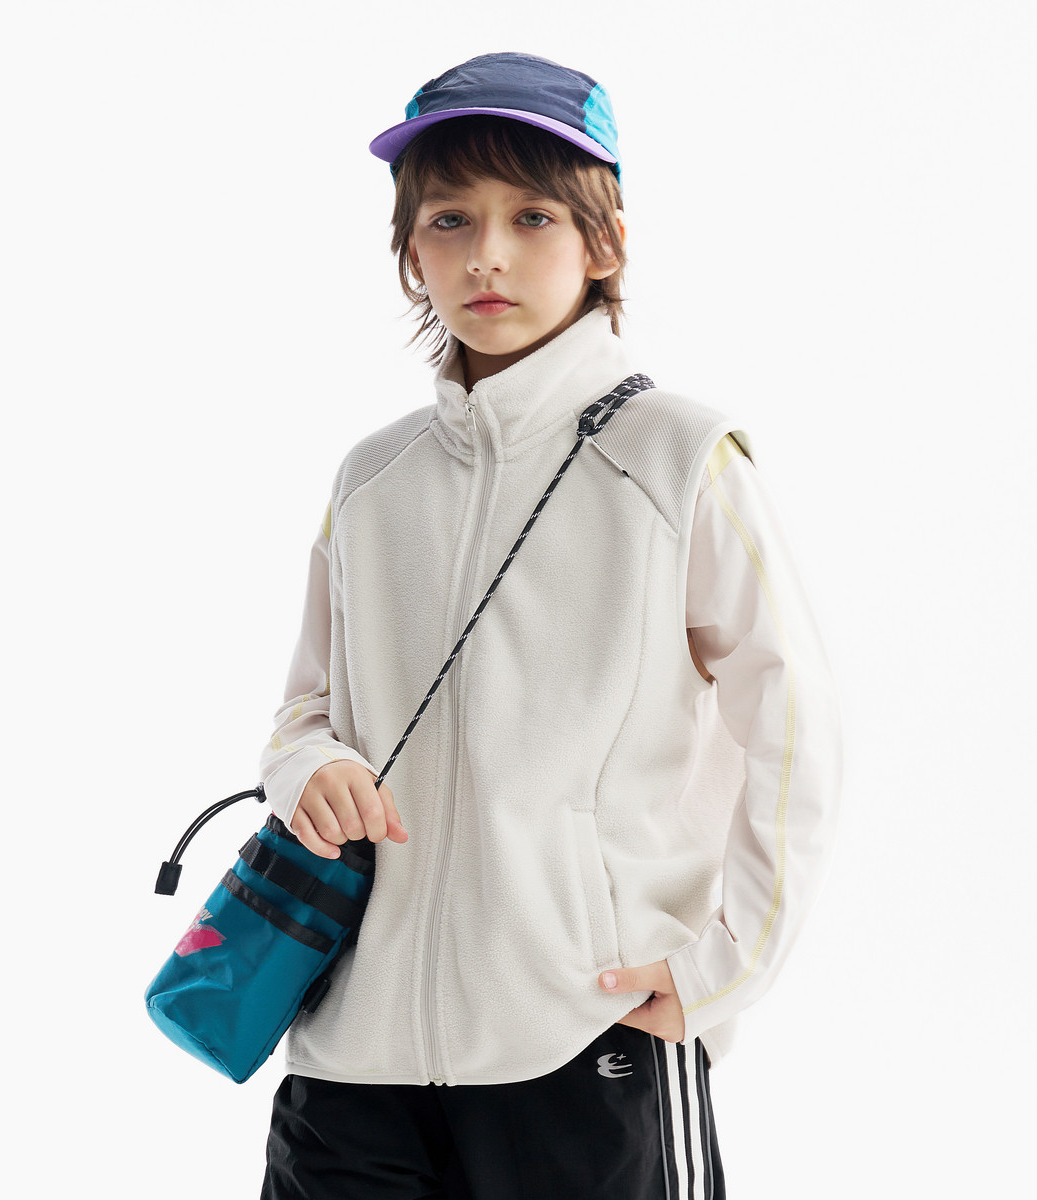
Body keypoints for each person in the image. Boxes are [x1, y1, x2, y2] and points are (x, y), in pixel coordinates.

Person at [257, 51, 842, 1200]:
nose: (487, 253)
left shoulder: (679, 459)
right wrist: (310, 767)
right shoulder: (374, 480)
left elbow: (798, 725)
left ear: (603, 241)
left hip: (584, 1036)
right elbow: (303, 712)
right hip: (350, 1058)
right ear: (410, 250)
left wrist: (727, 965)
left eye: (531, 216)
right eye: (449, 218)